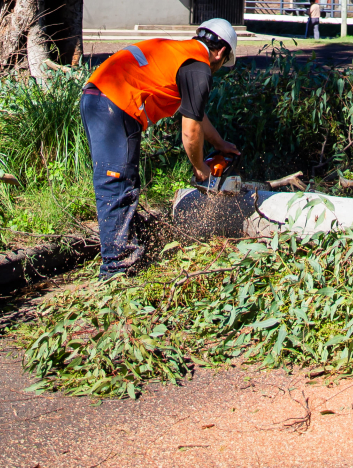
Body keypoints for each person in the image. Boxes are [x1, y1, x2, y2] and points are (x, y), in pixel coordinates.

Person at [79, 20, 240, 279]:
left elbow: (196, 115)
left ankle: (126, 250)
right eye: (223, 63)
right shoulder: (199, 68)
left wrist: (219, 144)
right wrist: (200, 168)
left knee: (121, 182)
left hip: (96, 96)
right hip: (115, 102)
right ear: (221, 52)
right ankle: (116, 270)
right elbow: (190, 130)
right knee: (117, 183)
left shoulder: (179, 54)